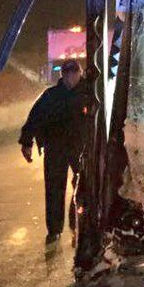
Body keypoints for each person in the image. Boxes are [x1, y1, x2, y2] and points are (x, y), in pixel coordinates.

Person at [19, 60, 92, 243]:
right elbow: (34, 118)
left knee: (83, 188)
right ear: (62, 75)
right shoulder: (51, 95)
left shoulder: (90, 94)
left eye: (74, 73)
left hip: (81, 149)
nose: (70, 77)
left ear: (80, 73)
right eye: (67, 73)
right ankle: (54, 230)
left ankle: (77, 226)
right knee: (54, 189)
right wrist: (26, 142)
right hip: (55, 148)